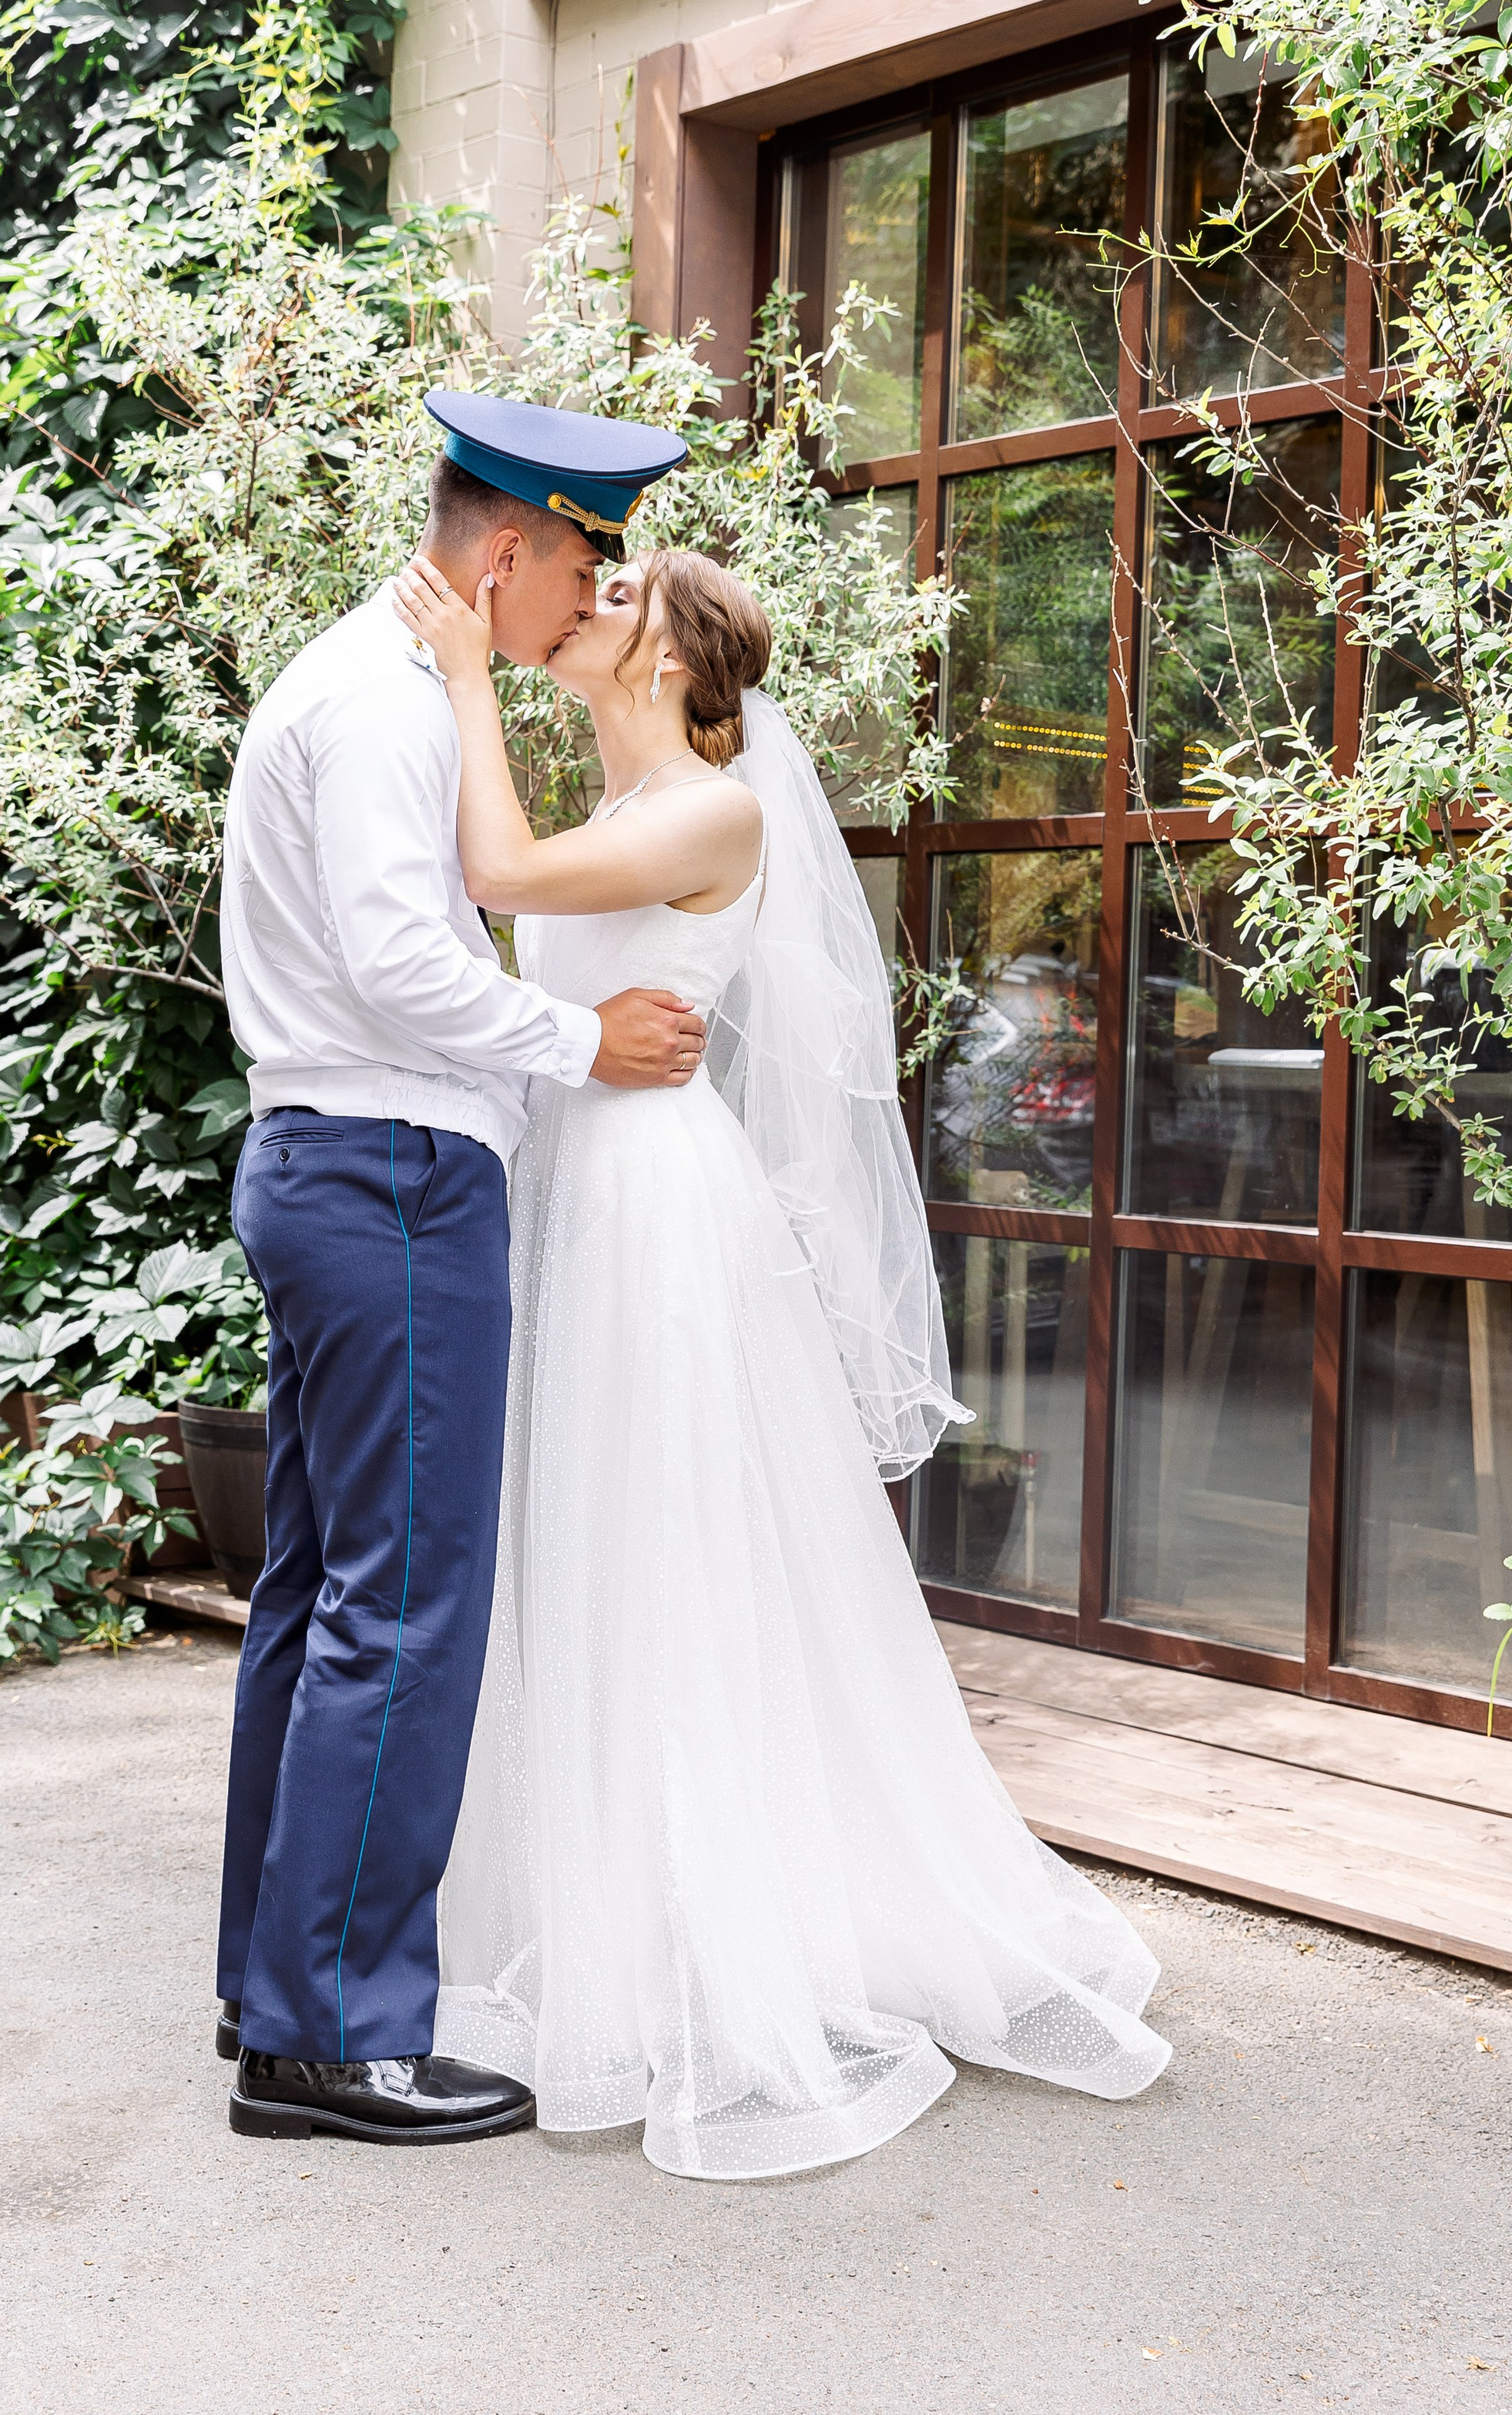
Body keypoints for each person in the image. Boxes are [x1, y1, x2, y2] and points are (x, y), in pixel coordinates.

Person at [389, 539, 1171, 2181]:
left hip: (663, 1212)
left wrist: (461, 675)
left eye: (619, 603)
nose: (584, 609)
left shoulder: (709, 811)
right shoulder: (620, 816)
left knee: (676, 1549)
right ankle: (619, 1910)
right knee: (594, 1551)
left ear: (676, 665)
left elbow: (499, 878)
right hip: (579, 1189)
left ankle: (720, 1937)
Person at [216, 391, 707, 2147]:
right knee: (401, 1607)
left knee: (321, 1594)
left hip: (344, 1164)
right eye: (577, 554)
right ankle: (335, 2036)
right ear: (506, 545)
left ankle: (277, 1998)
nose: (584, 590)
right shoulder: (383, 709)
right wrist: (580, 1041)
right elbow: (401, 966)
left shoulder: (377, 684)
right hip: (391, 1172)